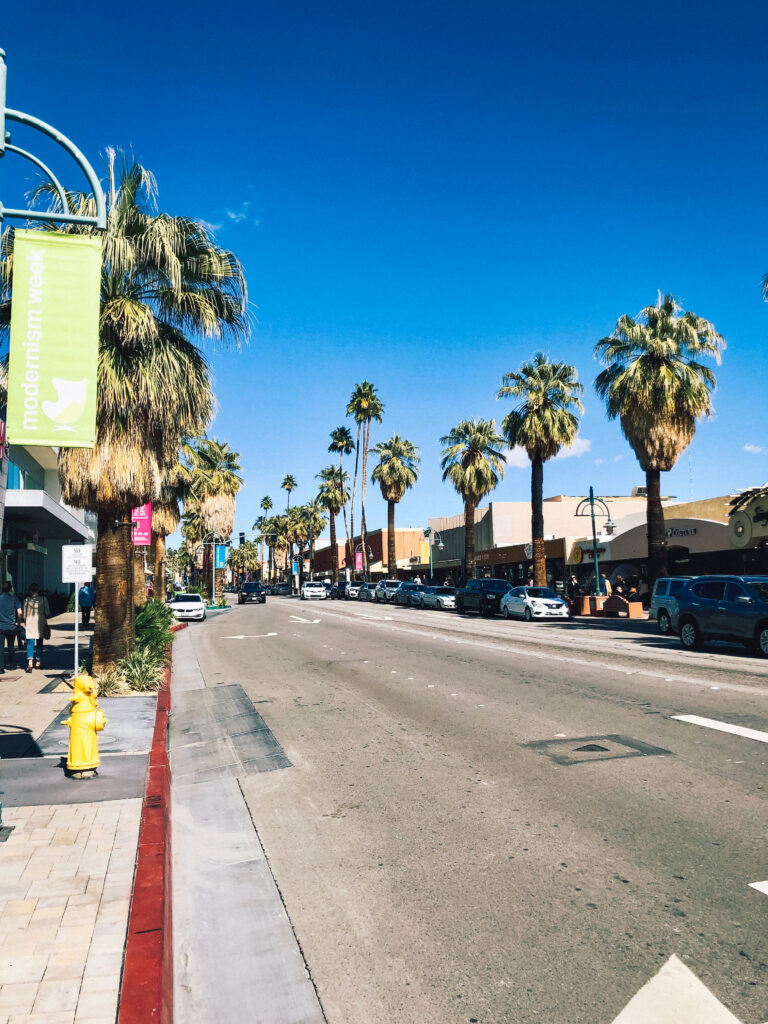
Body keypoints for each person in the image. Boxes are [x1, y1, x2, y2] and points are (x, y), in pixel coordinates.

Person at [23, 583, 50, 672]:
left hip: (30, 622)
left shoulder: (26, 600)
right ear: (38, 590)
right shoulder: (43, 599)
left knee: (30, 643)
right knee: (39, 643)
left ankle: (30, 663)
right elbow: (47, 612)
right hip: (40, 622)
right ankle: (38, 662)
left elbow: (24, 614)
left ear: (30, 591)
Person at [0, 581, 23, 672]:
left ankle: (1, 668)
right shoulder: (14, 598)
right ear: (10, 588)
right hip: (11, 626)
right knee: (11, 646)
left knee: (0, 648)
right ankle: (12, 665)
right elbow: (20, 612)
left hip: (0, 627)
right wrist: (18, 622)